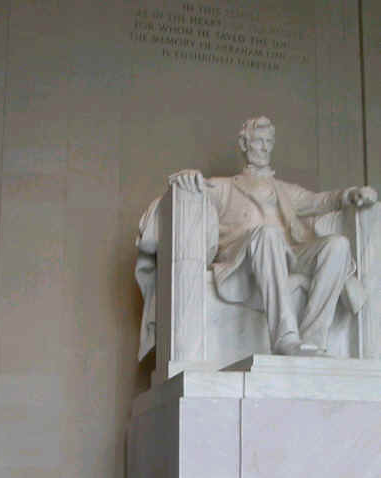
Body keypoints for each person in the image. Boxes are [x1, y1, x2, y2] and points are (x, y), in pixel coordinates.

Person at [155, 116, 377, 356]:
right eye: (258, 141)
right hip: (244, 260)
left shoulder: (285, 190)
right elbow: (187, 188)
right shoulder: (223, 187)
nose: (264, 148)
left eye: (269, 142)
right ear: (244, 144)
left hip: (288, 255)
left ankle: (313, 339)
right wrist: (187, 177)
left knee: (338, 245)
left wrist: (350, 194)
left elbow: (320, 201)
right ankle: (285, 337)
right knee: (268, 233)